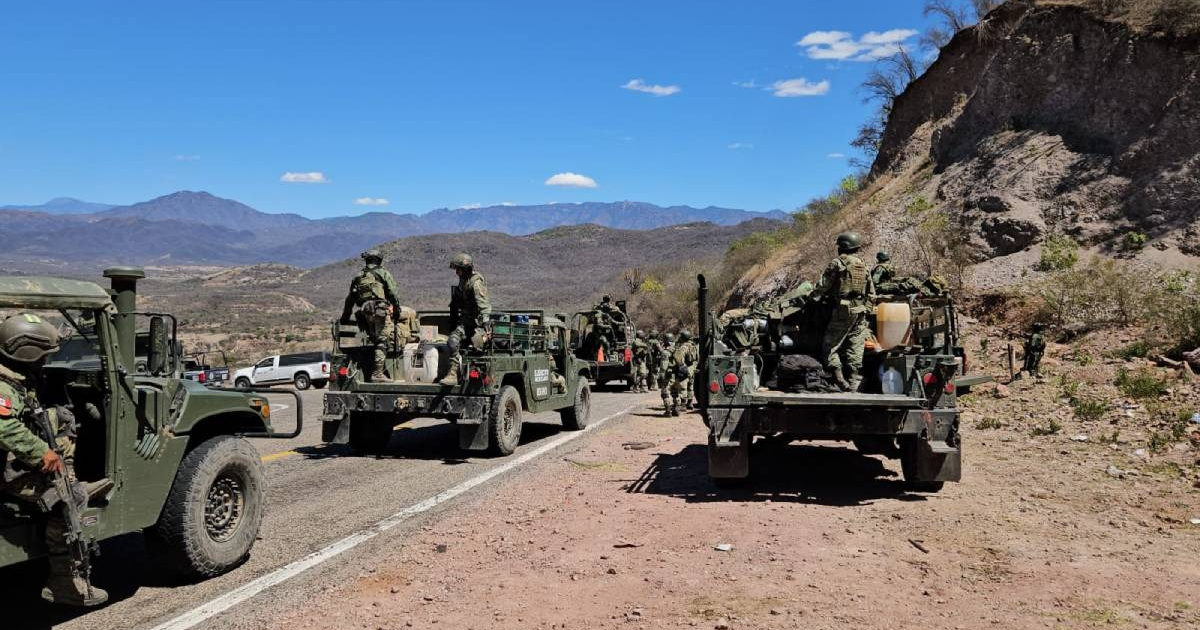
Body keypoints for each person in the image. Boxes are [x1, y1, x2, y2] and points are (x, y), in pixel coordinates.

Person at [0, 314, 112, 606]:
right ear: (28, 352)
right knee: (67, 499)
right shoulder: (3, 385)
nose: (46, 360)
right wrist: (41, 453)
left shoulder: (14, 376)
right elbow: (3, 426)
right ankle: (62, 584)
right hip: (4, 472)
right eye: (44, 354)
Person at [812, 232, 876, 392]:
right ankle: (854, 381)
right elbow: (872, 293)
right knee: (855, 345)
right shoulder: (863, 266)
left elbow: (822, 286)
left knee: (830, 345)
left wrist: (813, 297)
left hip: (843, 311)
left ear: (843, 247)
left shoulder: (838, 263)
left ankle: (840, 381)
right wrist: (865, 309)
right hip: (860, 311)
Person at [340, 249, 401, 382]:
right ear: (378, 260)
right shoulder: (383, 273)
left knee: (374, 339)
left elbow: (350, 299)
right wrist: (397, 309)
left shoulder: (358, 276)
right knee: (383, 340)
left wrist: (345, 317)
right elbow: (393, 293)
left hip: (365, 314)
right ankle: (378, 373)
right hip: (379, 312)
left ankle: (374, 369)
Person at [438, 253, 492, 386]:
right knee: (451, 341)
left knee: (454, 340)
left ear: (466, 268)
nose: (456, 272)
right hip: (465, 321)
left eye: (459, 269)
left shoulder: (475, 283)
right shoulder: (464, 280)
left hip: (474, 324)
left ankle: (453, 374)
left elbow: (484, 305)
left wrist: (486, 324)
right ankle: (453, 372)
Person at [660, 330, 698, 416]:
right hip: (677, 374)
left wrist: (661, 376)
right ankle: (676, 409)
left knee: (664, 392)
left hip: (668, 374)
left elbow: (663, 365)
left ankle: (668, 410)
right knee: (675, 392)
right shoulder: (677, 349)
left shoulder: (666, 352)